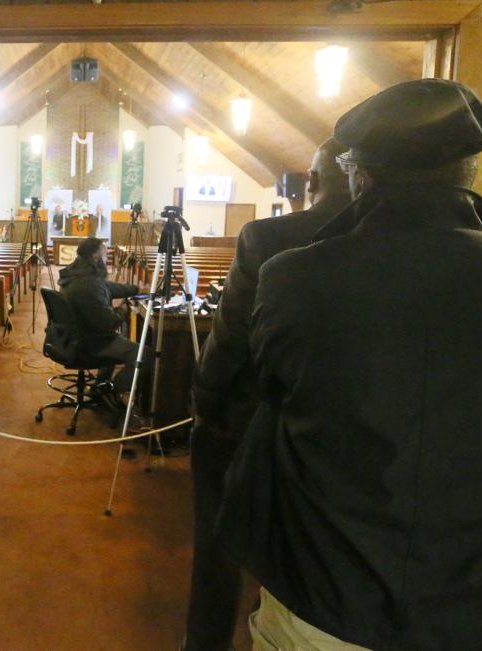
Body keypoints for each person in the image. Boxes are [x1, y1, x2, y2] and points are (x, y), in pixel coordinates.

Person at [218, 79, 482, 650]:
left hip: (326, 594)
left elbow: (259, 397)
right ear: (470, 172)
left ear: (358, 173)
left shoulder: (295, 278)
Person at [183, 138, 352, 651]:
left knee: (217, 542)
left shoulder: (269, 236)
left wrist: (204, 407)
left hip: (250, 418)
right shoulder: (398, 243)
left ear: (313, 183)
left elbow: (230, 338)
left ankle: (206, 640)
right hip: (338, 430)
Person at [57, 237, 146, 406]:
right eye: (105, 253)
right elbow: (110, 322)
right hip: (90, 342)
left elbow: (107, 287)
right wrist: (123, 308)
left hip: (73, 337)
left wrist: (136, 290)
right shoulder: (89, 283)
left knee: (119, 341)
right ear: (96, 257)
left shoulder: (78, 273)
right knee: (145, 356)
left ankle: (99, 388)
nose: (107, 257)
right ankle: (108, 391)